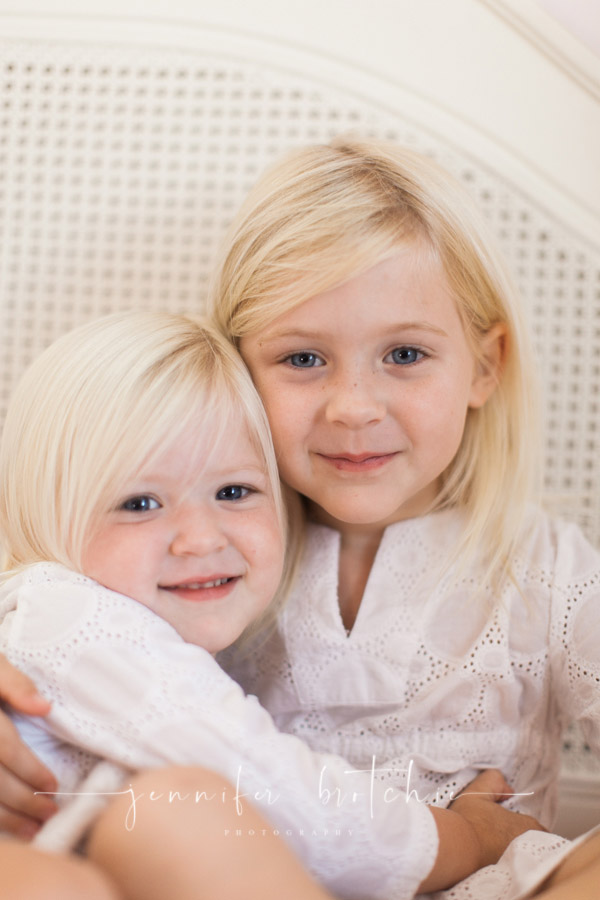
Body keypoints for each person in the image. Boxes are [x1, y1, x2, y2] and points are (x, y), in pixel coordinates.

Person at [0, 309, 541, 900]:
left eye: (235, 492)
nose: (201, 539)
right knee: (177, 813)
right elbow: (280, 793)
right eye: (139, 503)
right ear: (46, 510)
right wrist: (471, 837)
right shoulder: (74, 618)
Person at [204, 137, 600, 899]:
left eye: (406, 355)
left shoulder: (545, 566)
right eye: (303, 359)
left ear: (485, 367)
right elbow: (83, 649)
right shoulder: (203, 549)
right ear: (236, 370)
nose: (353, 407)